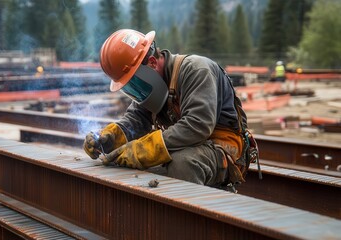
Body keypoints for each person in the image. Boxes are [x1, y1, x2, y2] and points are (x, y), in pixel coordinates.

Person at [83, 29, 258, 189]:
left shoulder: (196, 70)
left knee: (183, 163)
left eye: (135, 82)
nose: (136, 90)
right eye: (130, 87)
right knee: (131, 162)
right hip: (189, 144)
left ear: (151, 63)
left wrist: (142, 149)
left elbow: (197, 125)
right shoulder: (152, 86)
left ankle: (189, 219)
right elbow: (136, 119)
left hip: (222, 146)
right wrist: (111, 137)